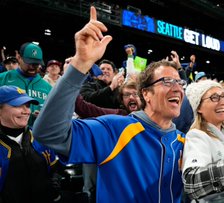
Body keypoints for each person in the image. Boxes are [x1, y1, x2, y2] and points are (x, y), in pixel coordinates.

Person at [33, 6, 186, 203]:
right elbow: (48, 133)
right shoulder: (115, 129)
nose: (178, 88)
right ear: (146, 94)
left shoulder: (185, 142)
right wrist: (80, 64)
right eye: (167, 81)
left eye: (180, 83)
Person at [0, 85, 61, 203]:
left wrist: (54, 182)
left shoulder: (40, 138)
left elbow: (55, 168)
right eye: (17, 106)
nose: (26, 111)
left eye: (27, 106)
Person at [0, 42, 52, 126]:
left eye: (36, 64)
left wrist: (46, 116)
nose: (32, 67)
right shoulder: (3, 79)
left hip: (37, 136)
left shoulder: (48, 88)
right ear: (19, 57)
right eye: (28, 62)